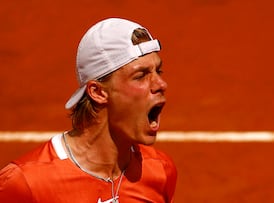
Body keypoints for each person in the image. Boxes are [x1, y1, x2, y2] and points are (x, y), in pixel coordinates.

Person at [0, 18, 177, 203]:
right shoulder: (26, 184)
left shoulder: (159, 172)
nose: (161, 84)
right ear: (98, 92)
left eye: (158, 71)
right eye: (140, 76)